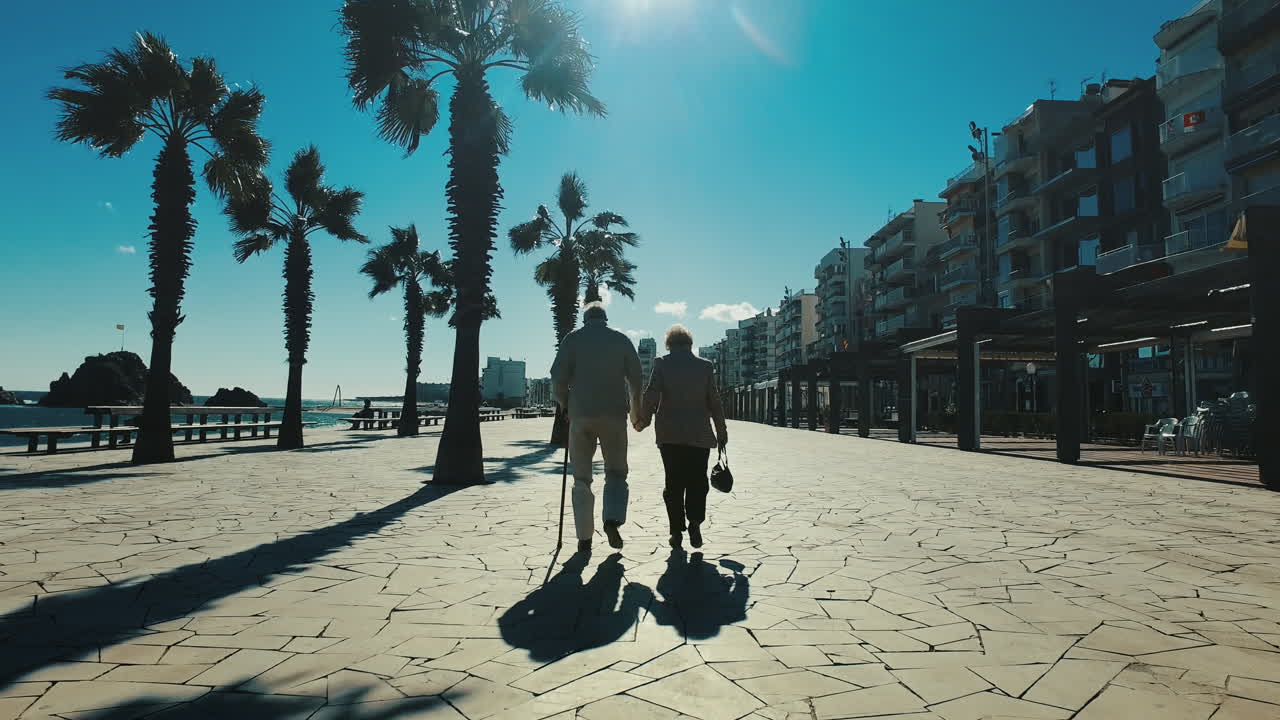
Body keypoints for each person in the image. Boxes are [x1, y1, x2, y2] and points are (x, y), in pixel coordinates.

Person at [550, 302, 644, 552]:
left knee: (581, 477)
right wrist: (636, 414)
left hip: (581, 416)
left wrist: (565, 405)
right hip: (614, 416)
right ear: (605, 318)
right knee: (616, 472)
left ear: (585, 318)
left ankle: (584, 537)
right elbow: (636, 380)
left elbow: (557, 379)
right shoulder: (621, 340)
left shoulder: (572, 340)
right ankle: (611, 519)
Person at [633, 324, 727, 549]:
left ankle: (676, 532)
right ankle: (695, 523)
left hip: (670, 436)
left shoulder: (662, 364)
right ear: (690, 344)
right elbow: (714, 401)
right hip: (699, 435)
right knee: (697, 481)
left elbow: (651, 395)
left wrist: (642, 421)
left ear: (668, 344)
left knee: (673, 483)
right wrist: (721, 431)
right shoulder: (705, 366)